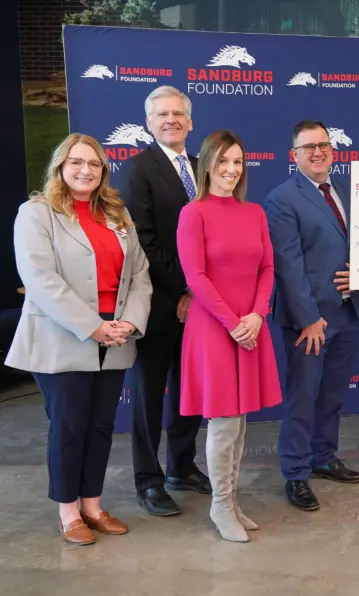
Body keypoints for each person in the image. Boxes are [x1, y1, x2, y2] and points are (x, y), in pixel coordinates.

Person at [6, 133, 152, 545]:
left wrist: (129, 322)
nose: (85, 170)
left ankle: (92, 504)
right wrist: (93, 326)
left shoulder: (117, 214)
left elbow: (139, 274)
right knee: (69, 426)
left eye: (93, 163)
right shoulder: (37, 213)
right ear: (60, 167)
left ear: (103, 170)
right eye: (76, 162)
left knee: (101, 426)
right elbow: (40, 279)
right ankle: (68, 512)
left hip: (116, 336)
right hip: (62, 336)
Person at [176, 130, 282, 542]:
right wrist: (232, 322)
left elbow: (267, 269)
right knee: (223, 423)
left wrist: (257, 314)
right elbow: (195, 276)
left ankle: (232, 501)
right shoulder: (194, 213)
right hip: (215, 330)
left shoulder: (254, 212)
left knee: (239, 422)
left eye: (237, 162)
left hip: (250, 327)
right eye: (223, 162)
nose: (231, 170)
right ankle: (220, 506)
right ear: (207, 165)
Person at [265, 120, 359, 512]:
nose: (318, 152)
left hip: (348, 311)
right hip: (310, 321)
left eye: (323, 144)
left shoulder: (345, 191)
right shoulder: (282, 199)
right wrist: (308, 318)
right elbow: (287, 265)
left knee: (332, 394)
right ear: (294, 155)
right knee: (303, 398)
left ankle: (324, 456)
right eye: (308, 147)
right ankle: (295, 473)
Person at [119, 85, 210, 516]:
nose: (171, 120)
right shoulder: (138, 169)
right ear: (148, 123)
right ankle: (148, 480)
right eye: (161, 114)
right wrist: (186, 289)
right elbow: (145, 242)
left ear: (190, 122)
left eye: (178, 113)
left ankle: (181, 466)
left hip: (201, 306)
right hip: (158, 306)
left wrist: (200, 293)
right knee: (149, 396)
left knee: (189, 392)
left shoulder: (203, 168)